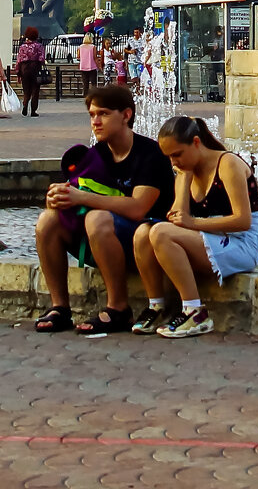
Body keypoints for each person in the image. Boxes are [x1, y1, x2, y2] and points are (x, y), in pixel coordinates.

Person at [33, 85, 175, 335]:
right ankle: (60, 307)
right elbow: (76, 190)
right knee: (47, 221)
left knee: (97, 218)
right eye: (92, 115)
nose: (95, 122)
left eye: (104, 114)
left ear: (126, 115)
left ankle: (118, 308)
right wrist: (59, 196)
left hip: (146, 242)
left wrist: (82, 197)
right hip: (103, 240)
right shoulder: (95, 154)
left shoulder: (150, 153)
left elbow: (138, 208)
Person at [134, 116, 258, 338]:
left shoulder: (228, 164)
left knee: (160, 232)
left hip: (242, 243)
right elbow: (177, 216)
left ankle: (195, 312)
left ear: (196, 142)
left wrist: (192, 223)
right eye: (169, 158)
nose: (174, 163)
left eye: (177, 155)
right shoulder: (185, 171)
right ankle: (156, 305)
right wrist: (183, 181)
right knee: (142, 234)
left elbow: (243, 221)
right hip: (210, 238)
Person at [15, 26, 46, 117]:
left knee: (26, 90)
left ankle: (25, 105)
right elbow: (42, 58)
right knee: (35, 90)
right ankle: (33, 110)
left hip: (24, 69)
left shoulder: (22, 47)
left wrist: (18, 72)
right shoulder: (38, 46)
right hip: (35, 68)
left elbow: (19, 60)